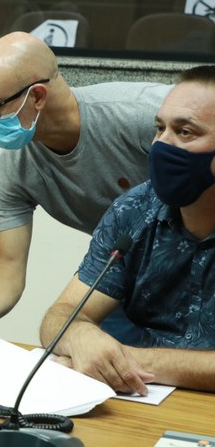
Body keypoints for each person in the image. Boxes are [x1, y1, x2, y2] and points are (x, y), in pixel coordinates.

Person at [0, 31, 172, 341]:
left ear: (37, 96)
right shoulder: (14, 171)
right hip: (126, 279)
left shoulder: (143, 114)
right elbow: (9, 268)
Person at [39, 65, 215, 395]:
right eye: (160, 128)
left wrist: (125, 362)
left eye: (185, 132)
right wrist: (82, 337)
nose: (161, 144)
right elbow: (60, 316)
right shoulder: (134, 209)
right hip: (142, 399)